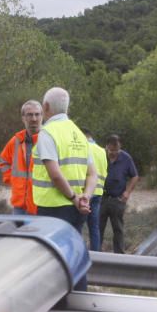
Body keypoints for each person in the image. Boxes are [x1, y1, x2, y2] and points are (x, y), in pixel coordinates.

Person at [31, 87, 97, 236]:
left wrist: (74, 198)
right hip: (78, 209)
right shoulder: (79, 134)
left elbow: (55, 175)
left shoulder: (47, 133)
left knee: (53, 254)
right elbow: (93, 174)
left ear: (45, 106)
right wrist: (86, 197)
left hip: (53, 208)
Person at [0, 100, 42, 215]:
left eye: (37, 114)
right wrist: (11, 178)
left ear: (42, 116)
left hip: (41, 205)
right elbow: (3, 161)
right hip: (19, 206)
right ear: (23, 118)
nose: (34, 118)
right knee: (18, 233)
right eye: (29, 114)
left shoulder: (48, 140)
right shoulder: (16, 140)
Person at [100, 134, 139, 254]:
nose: (114, 153)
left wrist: (127, 192)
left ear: (120, 147)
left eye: (117, 150)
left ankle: (119, 256)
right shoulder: (100, 155)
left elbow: (135, 176)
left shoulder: (126, 158)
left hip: (118, 200)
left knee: (118, 229)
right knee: (97, 228)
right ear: (107, 147)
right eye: (111, 150)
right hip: (101, 199)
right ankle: (95, 254)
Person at [81, 129, 108, 252]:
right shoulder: (102, 151)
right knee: (94, 228)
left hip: (86, 192)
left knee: (79, 226)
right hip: (98, 192)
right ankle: (96, 254)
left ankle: (79, 253)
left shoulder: (84, 147)